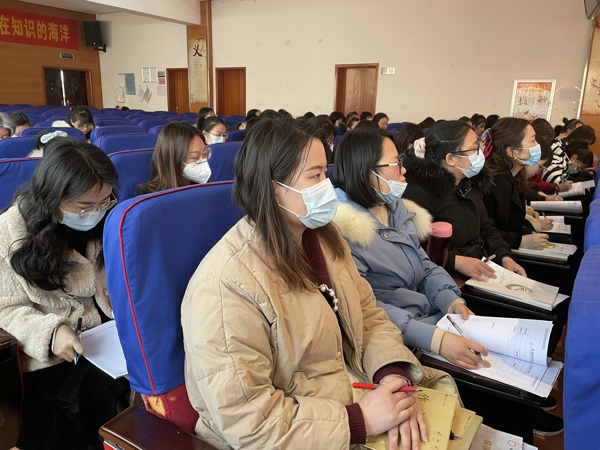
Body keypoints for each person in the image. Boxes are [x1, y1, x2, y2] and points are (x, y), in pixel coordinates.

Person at [182, 117, 458, 449]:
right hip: (297, 434)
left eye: (325, 173)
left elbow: (367, 316)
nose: (327, 186)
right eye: (315, 176)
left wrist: (391, 376)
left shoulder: (326, 239)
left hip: (356, 395)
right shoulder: (225, 285)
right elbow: (248, 420)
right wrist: (359, 420)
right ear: (272, 187)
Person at [0, 138, 129, 449]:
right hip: (53, 356)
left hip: (107, 340)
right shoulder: (10, 233)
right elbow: (6, 309)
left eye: (105, 201)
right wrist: (51, 332)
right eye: (84, 207)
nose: (97, 212)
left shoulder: (110, 219)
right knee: (105, 399)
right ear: (53, 198)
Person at [333, 128, 490, 370]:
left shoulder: (396, 210)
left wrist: (451, 301)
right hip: (397, 339)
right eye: (395, 163)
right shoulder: (344, 233)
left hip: (432, 321)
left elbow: (425, 266)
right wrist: (435, 339)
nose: (404, 169)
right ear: (366, 174)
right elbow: (366, 308)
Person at [402, 120, 525, 281]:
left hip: (479, 268)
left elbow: (486, 229)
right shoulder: (418, 194)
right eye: (474, 148)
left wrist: (504, 256)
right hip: (444, 278)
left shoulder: (469, 184)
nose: (480, 153)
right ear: (451, 158)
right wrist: (455, 261)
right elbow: (411, 249)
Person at [483, 117, 550, 250]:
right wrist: (519, 241)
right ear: (512, 152)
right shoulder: (495, 183)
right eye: (532, 140)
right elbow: (485, 231)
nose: (537, 145)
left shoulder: (516, 176)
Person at [138, 122, 211, 194]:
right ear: (174, 158)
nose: (203, 160)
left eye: (204, 154)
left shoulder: (202, 187)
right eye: (195, 156)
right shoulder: (150, 196)